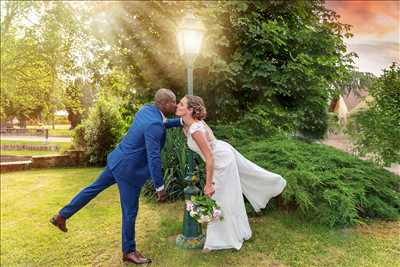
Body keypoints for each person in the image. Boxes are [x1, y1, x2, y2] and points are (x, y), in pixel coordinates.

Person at [50, 88, 183, 264]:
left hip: (117, 160)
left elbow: (161, 123)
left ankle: (61, 216)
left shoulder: (146, 110)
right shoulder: (154, 124)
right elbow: (153, 157)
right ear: (163, 104)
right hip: (129, 171)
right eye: (173, 102)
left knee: (92, 189)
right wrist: (160, 186)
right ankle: (128, 251)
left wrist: (180, 121)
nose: (176, 104)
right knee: (130, 212)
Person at [176, 95, 287, 252]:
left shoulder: (195, 129)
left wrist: (208, 185)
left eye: (181, 104)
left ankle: (217, 241)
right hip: (221, 152)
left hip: (221, 160)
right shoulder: (192, 124)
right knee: (225, 196)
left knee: (218, 197)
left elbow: (209, 157)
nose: (177, 106)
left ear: (191, 110)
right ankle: (232, 233)